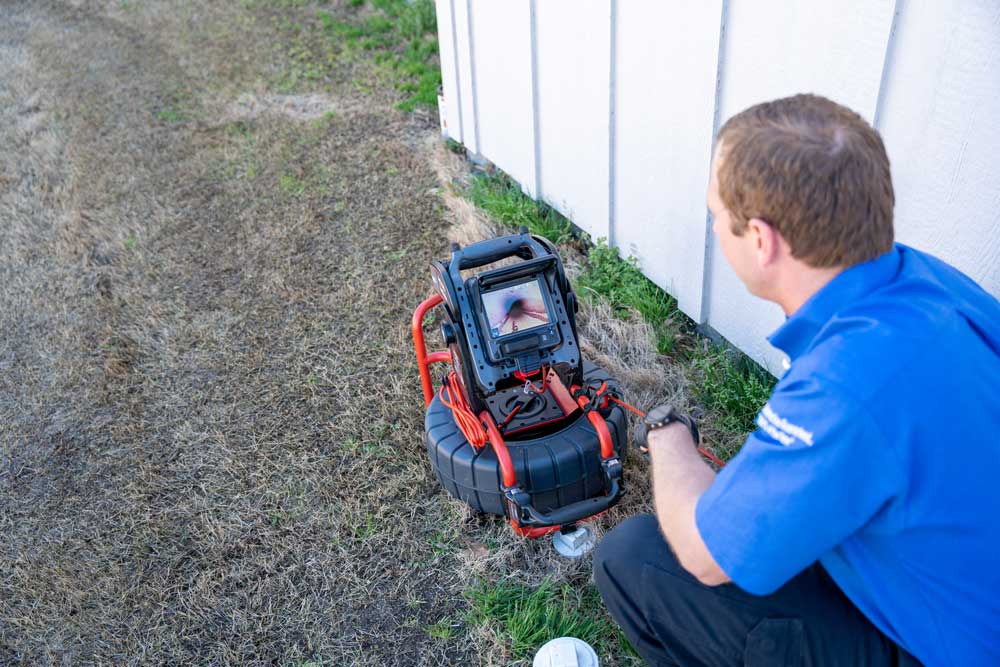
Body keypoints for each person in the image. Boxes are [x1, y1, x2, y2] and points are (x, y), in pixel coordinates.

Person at [593, 94, 1000, 666]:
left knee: (633, 555)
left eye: (717, 214)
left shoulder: (844, 387)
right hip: (963, 590)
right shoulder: (932, 283)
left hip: (940, 649)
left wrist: (666, 433)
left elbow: (704, 552)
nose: (713, 226)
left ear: (762, 241)